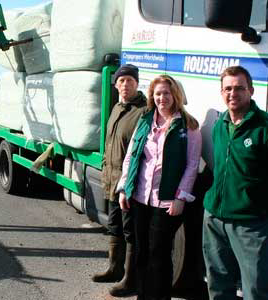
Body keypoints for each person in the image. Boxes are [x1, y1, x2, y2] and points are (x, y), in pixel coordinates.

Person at [116, 75, 202, 300]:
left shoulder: (189, 125)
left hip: (166, 201)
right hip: (139, 197)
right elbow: (131, 156)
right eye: (157, 93)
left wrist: (181, 197)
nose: (162, 98)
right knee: (141, 253)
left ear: (175, 95)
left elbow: (192, 165)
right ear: (152, 97)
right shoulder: (145, 121)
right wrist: (125, 187)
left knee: (159, 256)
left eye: (166, 93)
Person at [202, 66, 268, 300]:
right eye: (227, 88)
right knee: (218, 284)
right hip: (214, 218)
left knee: (256, 290)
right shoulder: (220, 124)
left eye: (239, 88)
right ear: (221, 93)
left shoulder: (263, 127)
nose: (233, 93)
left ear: (251, 90)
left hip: (250, 223)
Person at [93, 64, 147, 297]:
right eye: (122, 81)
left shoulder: (144, 111)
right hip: (112, 180)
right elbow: (110, 142)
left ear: (137, 84)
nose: (125, 85)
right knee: (114, 226)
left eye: (130, 81)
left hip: (129, 184)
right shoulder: (117, 107)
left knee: (130, 231)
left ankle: (131, 279)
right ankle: (114, 269)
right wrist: (105, 168)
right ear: (115, 85)